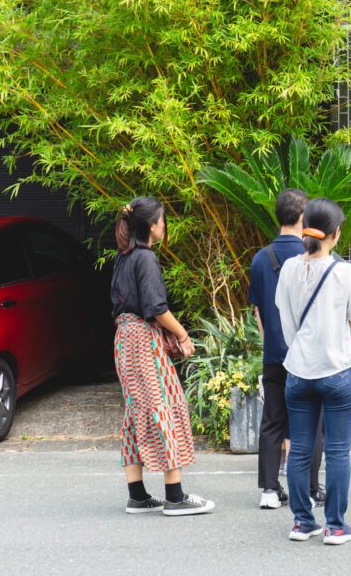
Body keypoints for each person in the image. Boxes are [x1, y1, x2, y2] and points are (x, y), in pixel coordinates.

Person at [110, 197, 214, 516]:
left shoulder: (123, 258)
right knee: (165, 405)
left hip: (124, 340)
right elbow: (156, 309)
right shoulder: (145, 258)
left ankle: (138, 496)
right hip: (143, 340)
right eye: (162, 220)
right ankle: (175, 496)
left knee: (136, 411)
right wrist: (182, 335)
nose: (165, 226)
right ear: (152, 226)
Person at [276, 198, 351, 545]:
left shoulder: (287, 269)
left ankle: (302, 523)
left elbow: (285, 321)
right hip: (337, 370)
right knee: (338, 451)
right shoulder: (345, 273)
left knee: (299, 449)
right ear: (336, 234)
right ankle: (335, 526)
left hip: (298, 370)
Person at [249, 189, 326, 510]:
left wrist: (271, 342)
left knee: (272, 421)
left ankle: (269, 490)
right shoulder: (312, 256)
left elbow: (257, 310)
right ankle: (309, 488)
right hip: (306, 356)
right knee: (311, 421)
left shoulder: (260, 258)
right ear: (301, 218)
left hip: (274, 354)